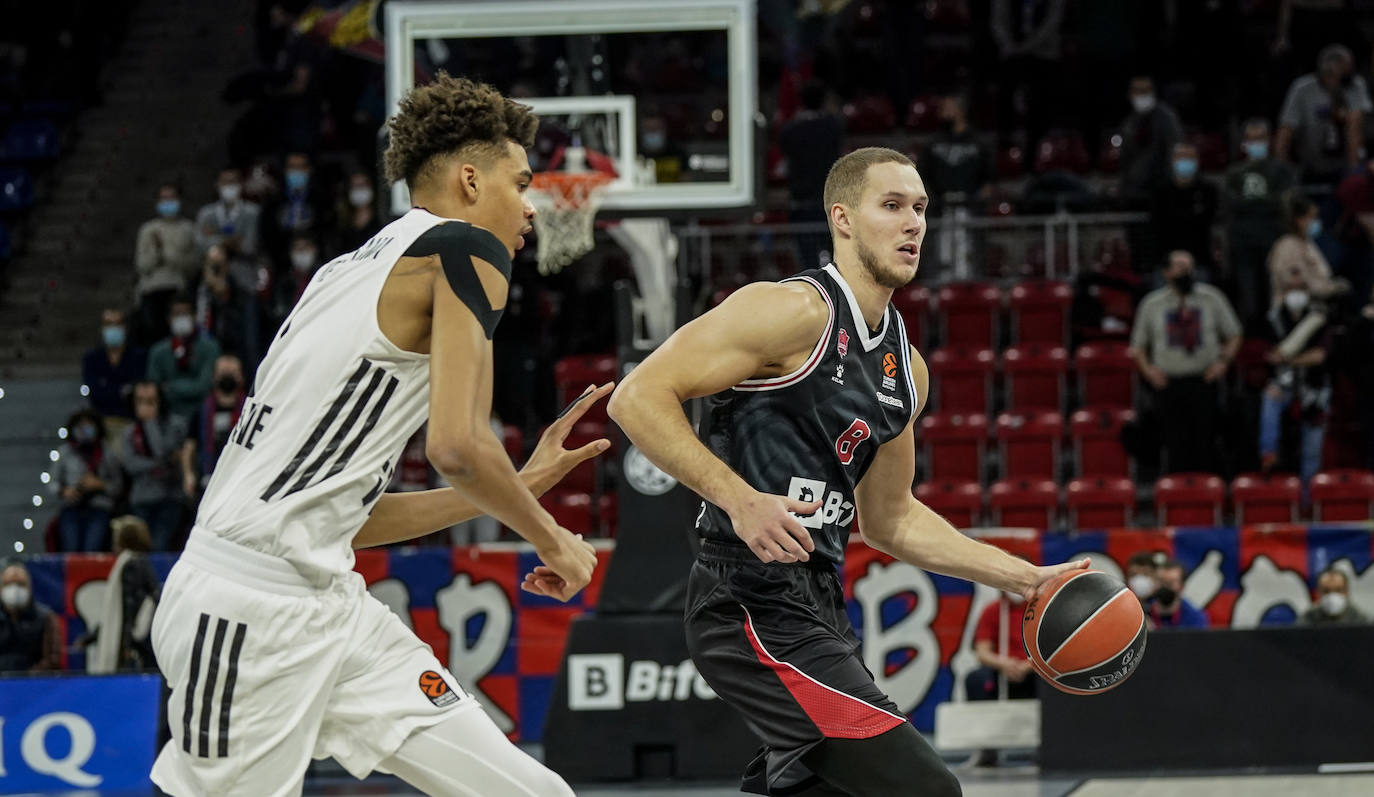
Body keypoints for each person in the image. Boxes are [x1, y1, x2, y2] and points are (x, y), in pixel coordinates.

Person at [149, 74, 608, 797]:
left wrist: (512, 489)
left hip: (328, 602)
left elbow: (347, 514)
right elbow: (456, 445)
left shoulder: (345, 270)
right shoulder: (466, 252)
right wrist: (551, 536)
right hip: (248, 610)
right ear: (468, 178)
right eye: (520, 183)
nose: (531, 206)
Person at [609, 147, 1086, 797]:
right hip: (745, 598)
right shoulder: (789, 311)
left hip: (819, 607)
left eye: (920, 208)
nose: (913, 223)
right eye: (891, 207)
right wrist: (740, 498)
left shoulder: (906, 368)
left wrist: (1022, 577)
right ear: (843, 219)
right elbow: (635, 398)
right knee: (927, 790)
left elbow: (891, 519)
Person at [1128, 250, 1242, 474]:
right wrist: (1149, 371)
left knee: (1205, 444)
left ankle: (1209, 498)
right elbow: (1138, 346)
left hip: (1203, 382)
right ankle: (1179, 500)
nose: (1186, 272)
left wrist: (1223, 362)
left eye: (1189, 267)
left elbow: (1234, 334)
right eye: (1180, 267)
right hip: (1169, 385)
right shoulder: (1152, 304)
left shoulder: (1212, 298)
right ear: (1167, 272)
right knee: (1175, 445)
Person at [1259, 269, 1333, 489]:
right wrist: (1288, 360)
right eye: (1291, 289)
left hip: (1314, 386)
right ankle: (1268, 454)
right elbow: (1270, 355)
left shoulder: (1319, 319)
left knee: (1311, 451)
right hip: (1284, 383)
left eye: (1300, 289)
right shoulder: (1273, 319)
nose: (1296, 293)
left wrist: (1289, 359)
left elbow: (1319, 357)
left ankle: (1308, 501)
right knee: (1270, 398)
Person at [1224, 118, 1297, 330]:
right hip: (1243, 245)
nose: (1256, 143)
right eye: (1252, 139)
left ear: (1269, 140)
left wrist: (1252, 203)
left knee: (1273, 296)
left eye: (1261, 139)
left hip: (1274, 242)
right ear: (1244, 142)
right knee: (1249, 299)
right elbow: (1232, 204)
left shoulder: (1282, 171)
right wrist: (1265, 202)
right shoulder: (1234, 173)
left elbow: (1285, 203)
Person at [114, 381, 193, 551]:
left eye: (150, 401)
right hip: (142, 498)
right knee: (142, 546)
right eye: (140, 401)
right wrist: (159, 463)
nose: (145, 406)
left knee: (160, 543)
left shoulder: (175, 425)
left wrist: (150, 423)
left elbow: (162, 451)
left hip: (170, 496)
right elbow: (131, 464)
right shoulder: (129, 432)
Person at [1275, 44, 1371, 184]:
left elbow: (1360, 121)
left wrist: (1354, 173)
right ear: (1330, 69)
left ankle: (1353, 176)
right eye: (1344, 70)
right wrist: (1282, 170)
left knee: (1355, 118)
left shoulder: (1356, 84)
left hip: (1345, 164)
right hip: (1309, 162)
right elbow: (1286, 129)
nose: (1349, 74)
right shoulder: (1302, 88)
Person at [961, 588, 1035, 769]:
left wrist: (1026, 666)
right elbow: (982, 652)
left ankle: (1048, 747)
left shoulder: (1040, 610)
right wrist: (1005, 664)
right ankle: (987, 748)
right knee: (976, 679)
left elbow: (1050, 651)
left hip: (1033, 670)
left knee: (1052, 684)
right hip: (1001, 671)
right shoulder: (993, 610)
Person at [80, 516, 162, 672]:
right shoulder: (138, 562)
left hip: (131, 646)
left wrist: (126, 644)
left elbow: (128, 608)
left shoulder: (131, 564)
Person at [779, 81, 844, 271]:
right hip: (827, 204)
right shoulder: (833, 126)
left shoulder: (790, 130)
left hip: (804, 206)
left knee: (808, 263)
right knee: (837, 262)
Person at [135, 183, 200, 345]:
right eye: (164, 198)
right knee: (151, 335)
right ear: (157, 202)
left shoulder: (189, 228)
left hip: (178, 289)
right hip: (151, 290)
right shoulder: (148, 229)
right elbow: (143, 265)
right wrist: (158, 253)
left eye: (171, 198)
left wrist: (165, 252)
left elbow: (193, 264)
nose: (168, 202)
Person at [53, 409, 123, 552]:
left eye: (88, 425)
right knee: (71, 550)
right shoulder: (65, 452)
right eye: (80, 425)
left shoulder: (106, 452)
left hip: (99, 508)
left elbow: (118, 485)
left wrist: (99, 484)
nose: (84, 430)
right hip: (71, 507)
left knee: (92, 550)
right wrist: (64, 491)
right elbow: (52, 481)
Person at [146, 296, 222, 423]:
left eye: (185, 313)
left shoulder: (210, 347)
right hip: (167, 416)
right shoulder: (158, 351)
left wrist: (169, 387)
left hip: (202, 414)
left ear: (194, 316)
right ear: (169, 319)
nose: (181, 318)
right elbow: (154, 390)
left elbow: (204, 387)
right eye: (176, 314)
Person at [1267, 195, 1348, 313]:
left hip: (1317, 308)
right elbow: (1294, 282)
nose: (1316, 222)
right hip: (1294, 311)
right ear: (1300, 220)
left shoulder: (1308, 243)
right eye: (1312, 217)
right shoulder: (1287, 245)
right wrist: (1330, 288)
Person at [1149, 142, 1219, 272]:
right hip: (1166, 260)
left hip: (1200, 260)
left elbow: (1205, 222)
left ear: (1197, 161)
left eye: (1189, 157)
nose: (1185, 161)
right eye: (1181, 157)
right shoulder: (1160, 191)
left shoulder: (1208, 191)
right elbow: (1158, 225)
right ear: (1173, 161)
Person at [81, 307, 147, 441]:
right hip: (101, 423)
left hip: (132, 423)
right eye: (109, 324)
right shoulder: (91, 359)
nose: (113, 328)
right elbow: (95, 393)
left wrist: (108, 388)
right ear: (102, 328)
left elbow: (138, 393)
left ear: (126, 328)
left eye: (118, 324)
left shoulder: (140, 357)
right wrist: (123, 390)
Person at [188, 354, 249, 494]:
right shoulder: (202, 410)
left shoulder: (252, 410)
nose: (227, 376)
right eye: (222, 372)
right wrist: (189, 474)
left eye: (232, 372)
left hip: (242, 477)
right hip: (209, 477)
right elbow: (189, 446)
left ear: (241, 377)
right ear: (214, 376)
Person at [1119, 75, 1183, 202]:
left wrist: (1172, 186)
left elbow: (1174, 152)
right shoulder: (1129, 123)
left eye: (1145, 91)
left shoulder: (1167, 119)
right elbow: (1125, 160)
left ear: (1153, 92)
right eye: (1137, 91)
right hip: (1135, 188)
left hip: (1162, 187)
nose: (1141, 95)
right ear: (1131, 94)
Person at [0, 561, 62, 672]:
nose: (15, 590)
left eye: (21, 584)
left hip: (34, 683)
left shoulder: (46, 617)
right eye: (9, 584)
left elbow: (52, 659)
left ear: (29, 587)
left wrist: (27, 679)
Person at [194, 167, 262, 261]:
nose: (229, 185)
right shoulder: (206, 213)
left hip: (244, 266)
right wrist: (232, 240)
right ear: (217, 184)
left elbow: (250, 247)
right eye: (225, 182)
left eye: (233, 181)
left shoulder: (253, 212)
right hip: (214, 266)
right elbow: (200, 246)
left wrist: (215, 236)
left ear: (241, 184)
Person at [332, 171, 384, 257]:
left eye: (363, 184)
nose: (360, 189)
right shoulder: (341, 227)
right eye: (355, 186)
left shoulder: (382, 222)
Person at [1147, 559, 1208, 629]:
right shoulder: (1141, 613)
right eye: (1161, 581)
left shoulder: (1195, 618)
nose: (1165, 587)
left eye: (1171, 583)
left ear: (1182, 586)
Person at [1298, 567, 1369, 625]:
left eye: (1338, 590)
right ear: (1318, 593)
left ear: (1346, 592)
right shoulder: (1308, 619)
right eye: (1326, 591)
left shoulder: (1360, 619)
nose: (1332, 596)